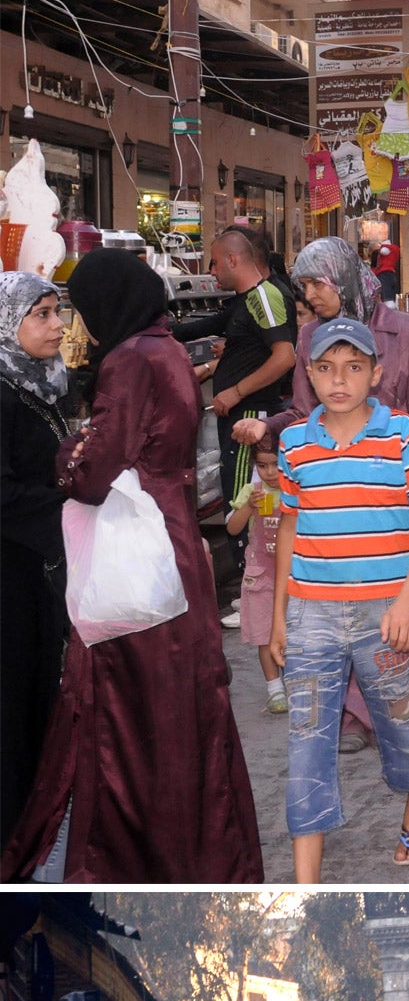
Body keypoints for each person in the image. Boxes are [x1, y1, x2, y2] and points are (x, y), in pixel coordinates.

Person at [3, 250, 262, 882]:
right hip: (171, 543)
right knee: (182, 703)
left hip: (138, 553)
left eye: (77, 308)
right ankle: (198, 853)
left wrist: (67, 457)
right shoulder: (166, 348)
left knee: (130, 709)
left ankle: (136, 859)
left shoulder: (127, 360)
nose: (74, 324)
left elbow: (94, 473)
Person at [232, 236, 409, 748]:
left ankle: (394, 704)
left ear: (342, 277)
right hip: (337, 495)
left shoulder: (405, 331)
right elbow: (304, 413)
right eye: (303, 285)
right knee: (345, 608)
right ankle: (354, 716)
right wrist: (269, 427)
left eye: (316, 283)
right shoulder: (308, 341)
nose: (309, 295)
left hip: (400, 489)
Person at [270, 315, 409, 880]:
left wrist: (408, 601)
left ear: (376, 373)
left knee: (399, 725)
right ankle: (306, 889)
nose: (338, 380)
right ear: (309, 375)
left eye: (352, 368)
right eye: (325, 369)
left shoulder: (402, 434)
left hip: (385, 614)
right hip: (311, 615)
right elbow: (289, 531)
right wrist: (279, 618)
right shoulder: (295, 443)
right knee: (307, 742)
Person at [0, 273, 72, 848]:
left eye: (58, 312)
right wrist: (69, 504)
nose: (57, 326)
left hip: (37, 570)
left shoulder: (41, 383)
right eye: (42, 314)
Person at [200, 228, 298, 523]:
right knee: (239, 499)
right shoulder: (250, 299)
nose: (212, 271)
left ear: (232, 259)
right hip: (241, 413)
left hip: (251, 414)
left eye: (215, 263)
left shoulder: (265, 296)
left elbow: (285, 357)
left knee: (244, 504)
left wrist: (237, 391)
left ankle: (252, 565)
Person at [225, 443, 288, 715]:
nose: (270, 472)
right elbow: (232, 528)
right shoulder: (252, 492)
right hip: (261, 574)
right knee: (265, 635)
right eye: (262, 466)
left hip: (295, 575)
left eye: (276, 464)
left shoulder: (296, 490)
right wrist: (248, 507)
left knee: (298, 633)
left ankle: (298, 684)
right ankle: (275, 690)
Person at [373, 240, 402, 305]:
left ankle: (388, 302)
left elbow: (383, 251)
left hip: (384, 272)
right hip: (392, 272)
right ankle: (393, 302)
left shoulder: (385, 249)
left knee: (386, 288)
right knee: (392, 289)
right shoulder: (394, 251)